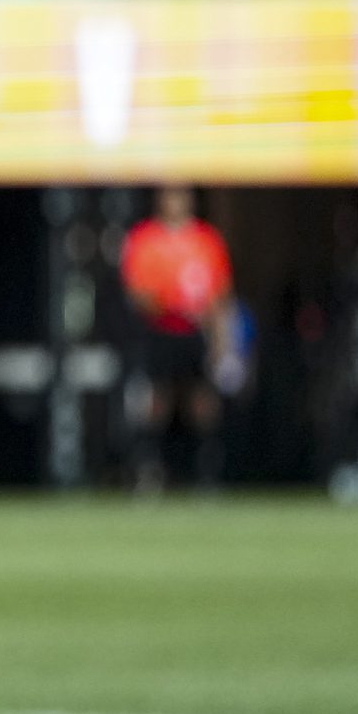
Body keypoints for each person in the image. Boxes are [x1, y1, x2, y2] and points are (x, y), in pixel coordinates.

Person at [119, 187, 234, 489]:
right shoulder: (146, 239)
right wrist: (173, 305)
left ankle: (205, 470)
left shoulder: (206, 240)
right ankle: (149, 468)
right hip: (161, 330)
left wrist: (221, 339)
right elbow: (137, 292)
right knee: (159, 399)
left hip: (195, 332)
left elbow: (219, 296)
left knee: (202, 399)